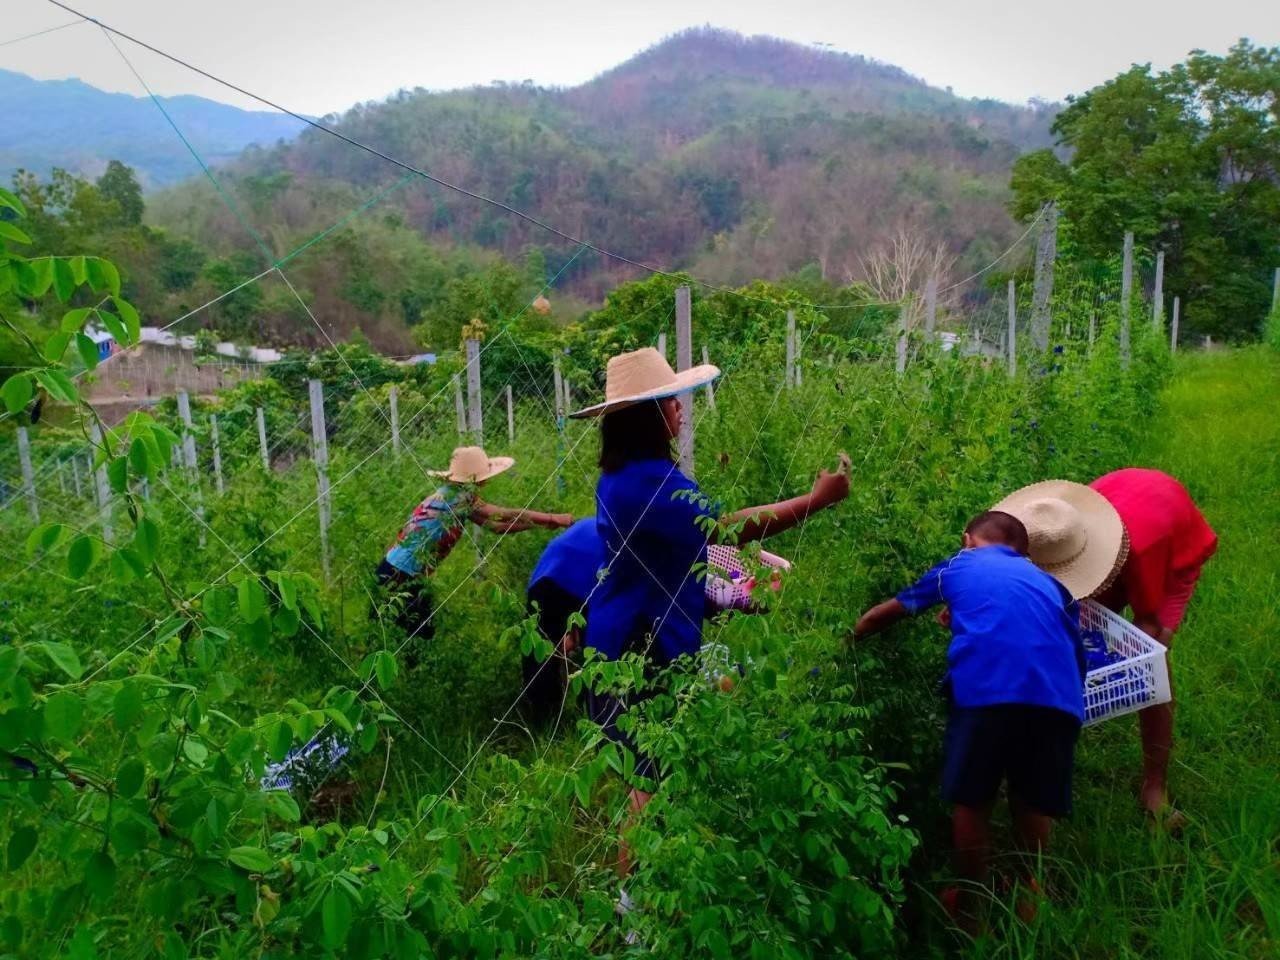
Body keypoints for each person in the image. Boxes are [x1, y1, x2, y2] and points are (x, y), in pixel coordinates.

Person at [569, 346, 851, 875]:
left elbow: (679, 556)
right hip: (639, 648)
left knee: (655, 770)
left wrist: (726, 592)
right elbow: (720, 530)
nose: (680, 410)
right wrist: (815, 501)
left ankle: (660, 893)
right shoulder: (646, 481)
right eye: (672, 402)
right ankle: (637, 918)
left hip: (635, 638)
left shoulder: (630, 474)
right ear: (648, 416)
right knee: (647, 784)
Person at [853, 510, 1089, 928]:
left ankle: (969, 904)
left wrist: (850, 636)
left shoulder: (960, 565)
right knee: (1032, 799)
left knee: (972, 801)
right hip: (1056, 698)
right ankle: (1030, 894)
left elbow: (890, 611)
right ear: (1026, 554)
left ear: (967, 540)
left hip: (987, 694)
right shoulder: (1054, 586)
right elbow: (1074, 650)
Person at [997, 470, 1216, 825]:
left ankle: (1154, 787)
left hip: (1166, 545)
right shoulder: (1052, 529)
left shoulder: (1146, 549)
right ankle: (1039, 767)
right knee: (1073, 622)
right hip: (1117, 512)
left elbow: (1147, 625)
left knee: (1152, 662)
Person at [374, 446, 572, 655]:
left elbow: (496, 527)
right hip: (401, 574)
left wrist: (538, 524)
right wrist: (552, 518)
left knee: (401, 635)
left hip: (395, 570)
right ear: (477, 479)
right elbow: (503, 515)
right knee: (415, 640)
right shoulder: (459, 498)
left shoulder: (454, 496)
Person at [522, 516, 605, 726]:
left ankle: (542, 722)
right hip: (579, 580)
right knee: (597, 651)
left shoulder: (595, 522)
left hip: (543, 578)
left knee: (539, 654)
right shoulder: (630, 536)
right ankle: (593, 716)